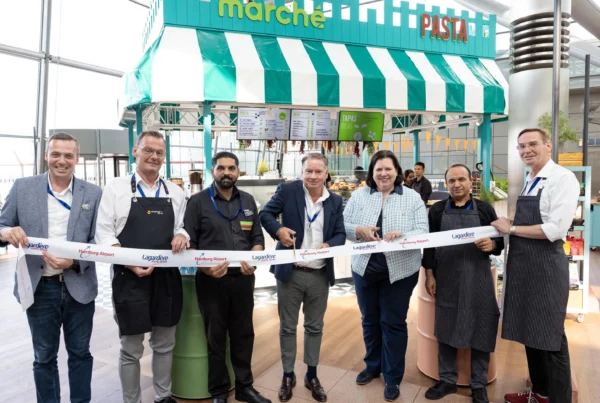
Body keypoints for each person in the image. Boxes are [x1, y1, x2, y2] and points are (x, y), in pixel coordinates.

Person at [0, 132, 102, 403]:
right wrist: (8, 231)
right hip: (39, 288)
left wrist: (75, 260)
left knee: (81, 353)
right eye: (56, 154)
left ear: (77, 159)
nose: (62, 160)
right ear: (46, 155)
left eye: (69, 155)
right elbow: (1, 226)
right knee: (44, 358)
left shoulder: (93, 193)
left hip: (79, 286)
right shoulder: (22, 188)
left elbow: (100, 240)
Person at [95, 130, 189, 403]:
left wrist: (183, 235)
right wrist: (129, 262)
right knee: (131, 348)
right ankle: (131, 400)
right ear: (135, 152)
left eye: (159, 152)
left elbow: (182, 227)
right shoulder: (115, 188)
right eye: (148, 150)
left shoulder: (176, 191)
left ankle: (163, 396)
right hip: (128, 277)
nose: (154, 156)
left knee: (164, 344)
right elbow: (104, 234)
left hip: (167, 278)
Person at [492, 128, 579, 403]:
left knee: (551, 336)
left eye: (532, 144)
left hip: (546, 266)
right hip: (523, 265)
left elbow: (555, 228)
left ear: (548, 145)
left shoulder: (562, 178)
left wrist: (513, 227)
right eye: (521, 146)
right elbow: (532, 218)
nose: (526, 150)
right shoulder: (530, 179)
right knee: (531, 330)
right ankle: (540, 393)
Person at [184, 151, 270, 403]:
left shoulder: (248, 200)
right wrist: (206, 269)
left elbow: (257, 238)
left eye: (231, 168)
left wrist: (253, 261)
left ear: (238, 172)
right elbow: (190, 245)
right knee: (215, 336)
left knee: (244, 334)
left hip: (243, 279)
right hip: (211, 281)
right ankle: (219, 392)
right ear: (213, 171)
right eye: (221, 168)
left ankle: (245, 387)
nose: (226, 173)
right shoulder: (197, 202)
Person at [259, 153, 346, 403]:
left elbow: (340, 233)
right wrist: (278, 230)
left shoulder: (335, 201)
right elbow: (265, 214)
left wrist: (330, 243)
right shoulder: (288, 191)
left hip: (319, 273)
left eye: (318, 172)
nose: (313, 176)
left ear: (326, 174)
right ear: (302, 172)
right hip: (291, 272)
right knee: (287, 327)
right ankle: (288, 375)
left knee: (314, 326)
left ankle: (311, 374)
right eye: (309, 171)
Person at [343, 150, 428, 402]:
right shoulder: (359, 196)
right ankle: (372, 366)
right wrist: (358, 229)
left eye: (388, 169)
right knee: (369, 320)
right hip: (364, 270)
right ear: (372, 172)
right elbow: (344, 227)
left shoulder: (411, 197)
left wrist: (403, 235)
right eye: (378, 169)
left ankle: (392, 377)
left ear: (397, 171)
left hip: (400, 272)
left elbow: (423, 230)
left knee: (393, 323)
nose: (383, 173)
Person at [422, 164, 504, 403]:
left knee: (482, 325)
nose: (456, 184)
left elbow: (499, 242)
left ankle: (478, 385)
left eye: (461, 180)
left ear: (471, 182)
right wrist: (429, 274)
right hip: (446, 276)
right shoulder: (437, 210)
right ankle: (447, 379)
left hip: (477, 277)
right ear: (446, 184)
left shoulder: (485, 210)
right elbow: (429, 245)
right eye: (451, 181)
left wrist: (493, 245)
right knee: (446, 326)